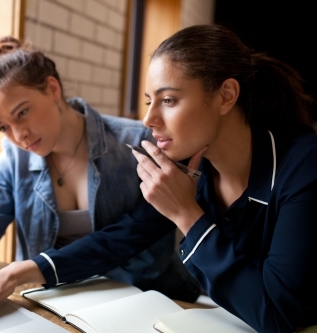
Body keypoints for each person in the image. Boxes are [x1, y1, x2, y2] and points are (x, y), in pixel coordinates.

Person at [0, 35, 200, 317]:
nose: (19, 135)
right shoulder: (14, 159)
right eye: (2, 127)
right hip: (51, 308)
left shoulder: (139, 144)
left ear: (53, 89)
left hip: (146, 305)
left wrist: (22, 271)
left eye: (22, 112)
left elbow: (132, 240)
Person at [129, 25, 317, 332]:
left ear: (225, 96)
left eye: (168, 100)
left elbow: (280, 318)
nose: (148, 120)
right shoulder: (196, 169)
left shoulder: (305, 166)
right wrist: (36, 267)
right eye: (150, 100)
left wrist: (186, 214)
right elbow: (127, 235)